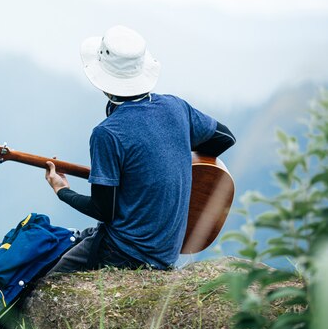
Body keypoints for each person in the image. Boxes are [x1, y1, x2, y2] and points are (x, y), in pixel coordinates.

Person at [44, 25, 235, 273]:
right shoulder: (176, 107)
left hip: (125, 252)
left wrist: (62, 190)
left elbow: (104, 211)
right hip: (166, 253)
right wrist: (166, 162)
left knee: (48, 282)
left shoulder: (108, 133)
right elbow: (224, 138)